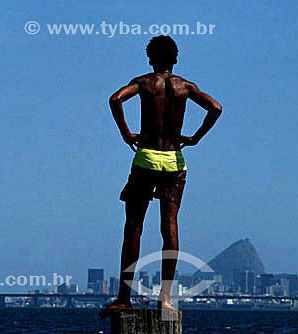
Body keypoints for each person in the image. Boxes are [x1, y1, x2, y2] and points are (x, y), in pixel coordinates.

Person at [99, 35, 222, 318]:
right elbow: (215, 108)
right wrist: (195, 139)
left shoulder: (144, 83)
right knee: (169, 227)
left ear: (150, 58)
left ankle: (124, 298)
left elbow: (115, 99)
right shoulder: (185, 86)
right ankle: (165, 299)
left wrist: (125, 133)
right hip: (174, 162)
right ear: (175, 59)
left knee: (133, 227)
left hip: (146, 158)